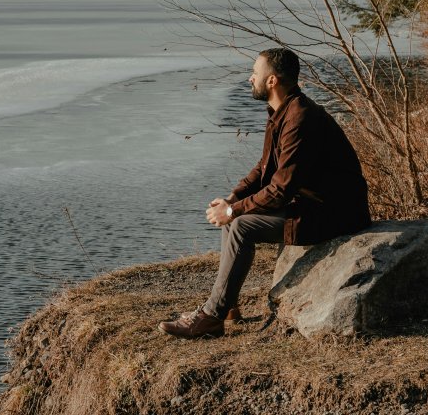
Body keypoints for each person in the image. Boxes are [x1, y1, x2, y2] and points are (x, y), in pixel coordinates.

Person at [158, 47, 371, 338]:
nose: (249, 79)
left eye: (255, 74)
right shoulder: (282, 112)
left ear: (272, 81)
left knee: (240, 225)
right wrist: (233, 198)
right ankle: (226, 304)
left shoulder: (300, 119)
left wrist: (234, 211)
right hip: (310, 205)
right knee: (235, 219)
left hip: (334, 214)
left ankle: (210, 317)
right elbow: (264, 168)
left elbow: (280, 190)